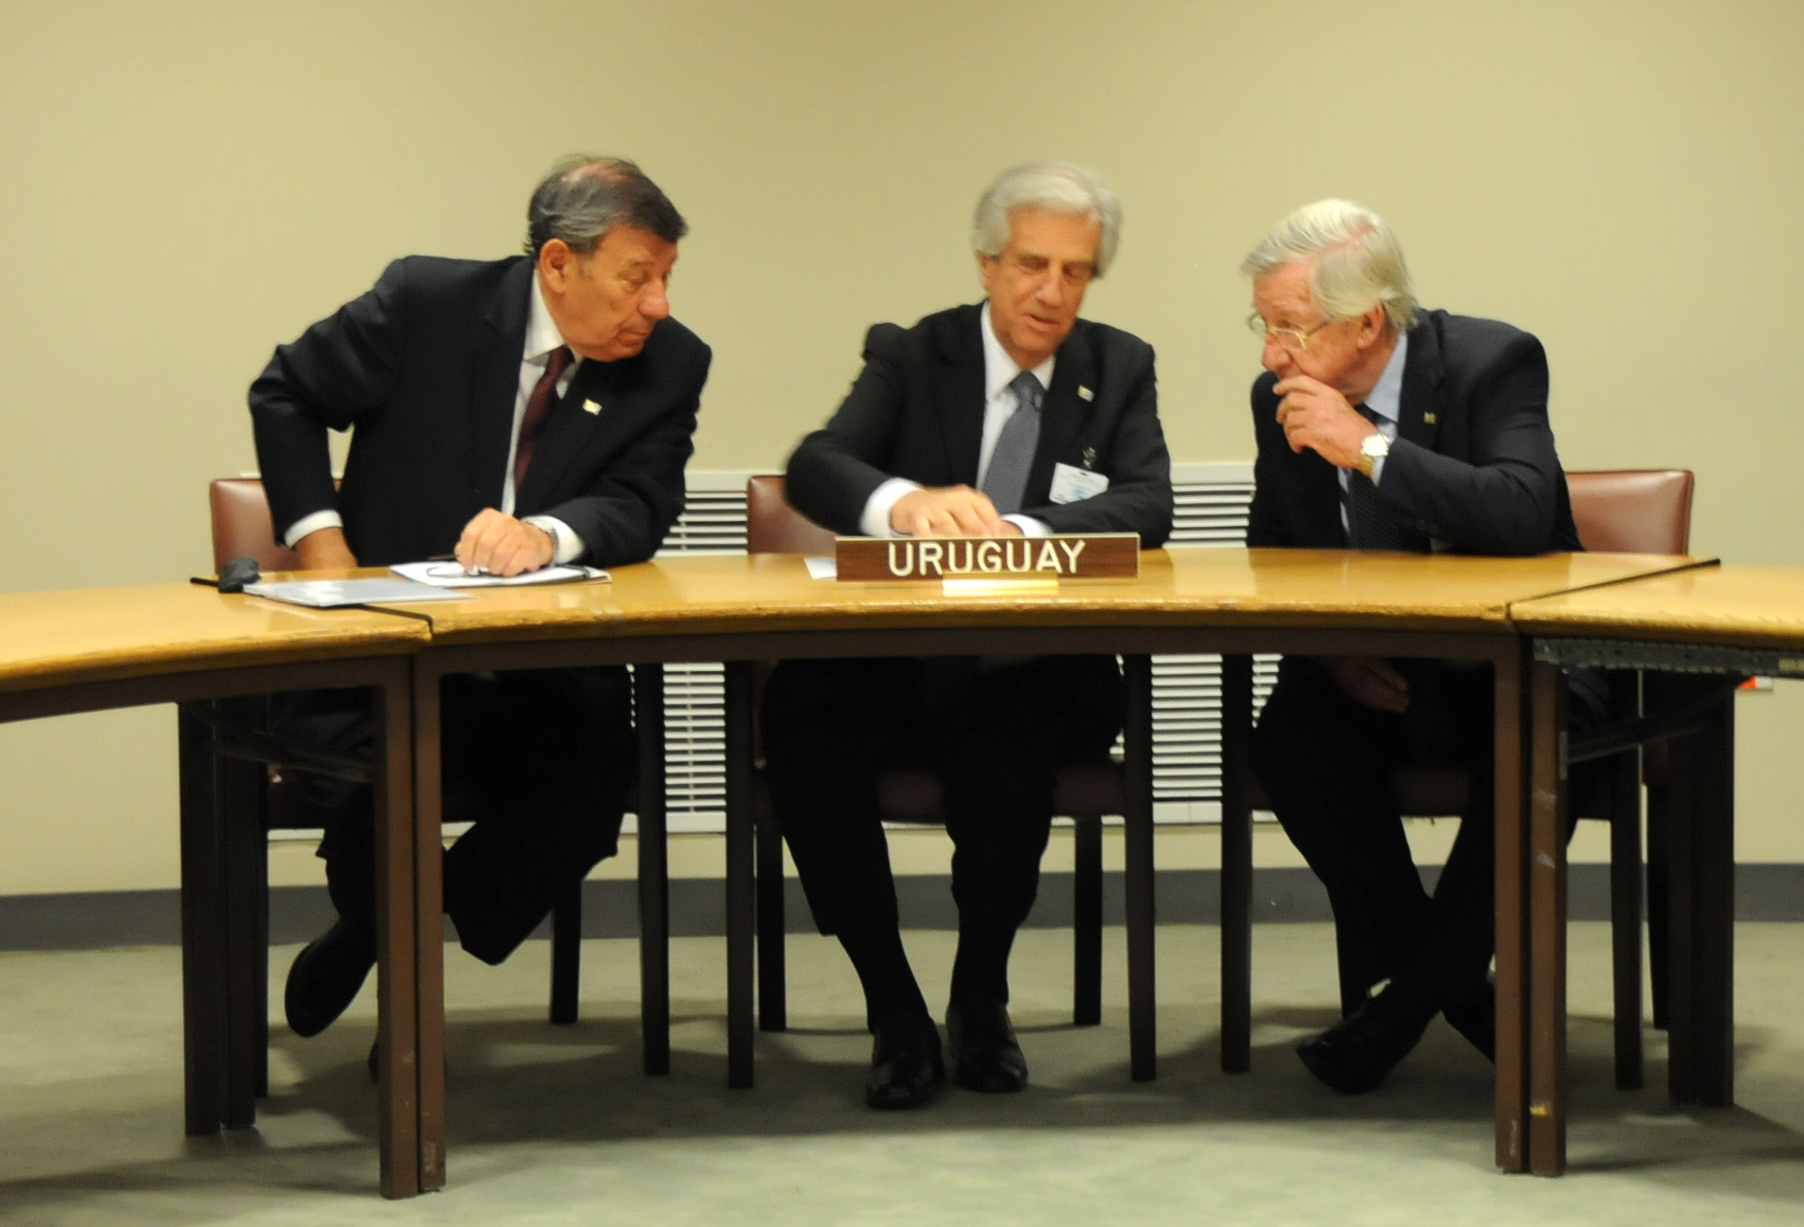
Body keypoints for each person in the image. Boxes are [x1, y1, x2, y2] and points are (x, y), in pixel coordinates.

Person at [250, 155, 712, 1043]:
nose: (657, 305)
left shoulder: (669, 364)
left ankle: (380, 937)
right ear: (557, 265)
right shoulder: (428, 305)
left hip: (532, 669)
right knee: (380, 772)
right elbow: (285, 394)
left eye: (666, 277)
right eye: (637, 277)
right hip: (380, 656)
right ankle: (408, 1014)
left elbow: (644, 503)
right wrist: (323, 546)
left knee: (595, 772)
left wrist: (551, 533)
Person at [764, 161, 1172, 1109]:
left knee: (1011, 733)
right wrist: (905, 505)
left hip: (1029, 669)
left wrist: (1023, 530)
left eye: (1076, 272)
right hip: (895, 669)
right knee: (801, 721)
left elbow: (1150, 503)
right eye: (1034, 264)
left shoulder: (1118, 367)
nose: (1053, 292)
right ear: (988, 263)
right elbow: (816, 466)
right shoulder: (916, 354)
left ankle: (979, 995)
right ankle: (893, 1007)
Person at [1241, 198, 1606, 1094]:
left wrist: (1367, 448)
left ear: (1367, 322)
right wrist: (1330, 657)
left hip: (1515, 665)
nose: (1270, 354)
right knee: (1286, 738)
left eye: (1288, 327)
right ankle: (1453, 992)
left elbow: (1522, 510)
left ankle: (1401, 1009)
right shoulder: (1278, 400)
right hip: (1385, 670)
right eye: (1263, 324)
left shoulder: (1492, 361)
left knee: (1528, 743)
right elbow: (1275, 551)